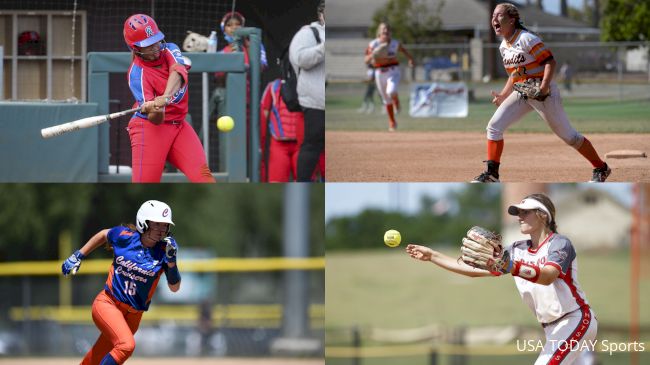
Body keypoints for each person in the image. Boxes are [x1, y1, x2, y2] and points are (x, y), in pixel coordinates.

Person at [406, 193, 597, 365]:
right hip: (551, 329)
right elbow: (472, 270)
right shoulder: (516, 250)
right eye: (518, 213)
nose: (519, 217)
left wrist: (511, 266)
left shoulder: (559, 244)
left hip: (575, 319)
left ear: (543, 215)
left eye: (525, 212)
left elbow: (547, 276)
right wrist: (432, 256)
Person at [472, 3, 610, 183]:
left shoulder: (526, 38)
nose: (494, 20)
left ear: (512, 20)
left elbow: (550, 62)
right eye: (493, 17)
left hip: (543, 93)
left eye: (498, 16)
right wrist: (503, 95)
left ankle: (601, 168)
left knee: (569, 137)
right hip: (522, 92)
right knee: (494, 127)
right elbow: (515, 74)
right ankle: (492, 174)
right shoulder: (503, 46)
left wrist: (544, 87)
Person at [61, 200, 182, 365]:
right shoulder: (125, 237)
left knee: (96, 358)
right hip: (108, 304)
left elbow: (174, 288)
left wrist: (172, 262)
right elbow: (104, 234)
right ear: (144, 222)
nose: (162, 230)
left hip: (133, 316)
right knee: (126, 345)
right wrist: (78, 255)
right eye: (157, 224)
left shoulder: (164, 252)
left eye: (165, 225)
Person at [123, 14, 215, 183]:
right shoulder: (136, 74)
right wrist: (156, 108)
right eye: (148, 46)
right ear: (136, 49)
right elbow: (155, 120)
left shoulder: (170, 49)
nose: (156, 48)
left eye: (156, 41)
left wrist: (165, 97)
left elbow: (178, 72)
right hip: (149, 130)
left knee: (204, 178)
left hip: (179, 126)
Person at [289, 0, 325, 182]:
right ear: (321, 15)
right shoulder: (307, 33)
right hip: (315, 100)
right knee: (313, 144)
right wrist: (324, 48)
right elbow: (301, 59)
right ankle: (302, 182)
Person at [364, 22, 414, 131]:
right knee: (386, 99)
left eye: (387, 29)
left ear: (390, 33)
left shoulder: (395, 44)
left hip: (393, 71)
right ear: (379, 33)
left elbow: (404, 51)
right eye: (383, 29)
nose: (385, 31)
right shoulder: (373, 44)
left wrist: (410, 59)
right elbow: (366, 60)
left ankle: (396, 101)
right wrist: (374, 54)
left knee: (390, 91)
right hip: (379, 73)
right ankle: (392, 122)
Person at [259, 78, 304, 182]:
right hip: (279, 142)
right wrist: (260, 144)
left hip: (302, 143)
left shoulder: (306, 84)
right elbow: (264, 114)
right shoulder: (273, 86)